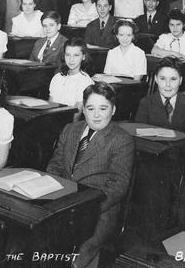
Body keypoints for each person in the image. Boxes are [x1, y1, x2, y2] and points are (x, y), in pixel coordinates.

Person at [46, 82, 134, 268]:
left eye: (103, 108)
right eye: (90, 108)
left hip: (99, 210)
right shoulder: (70, 129)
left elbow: (117, 186)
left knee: (76, 258)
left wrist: (85, 209)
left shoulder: (121, 140)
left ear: (113, 109)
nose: (96, 114)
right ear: (83, 110)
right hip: (63, 203)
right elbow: (54, 166)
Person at [135, 57, 185, 139]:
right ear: (156, 79)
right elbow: (139, 135)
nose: (167, 84)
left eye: (173, 79)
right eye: (162, 79)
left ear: (180, 80)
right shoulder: (146, 102)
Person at [49, 38, 94, 122]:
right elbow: (50, 107)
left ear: (83, 56)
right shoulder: (57, 77)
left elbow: (76, 115)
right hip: (53, 122)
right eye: (68, 55)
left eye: (76, 55)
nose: (71, 59)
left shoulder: (85, 81)